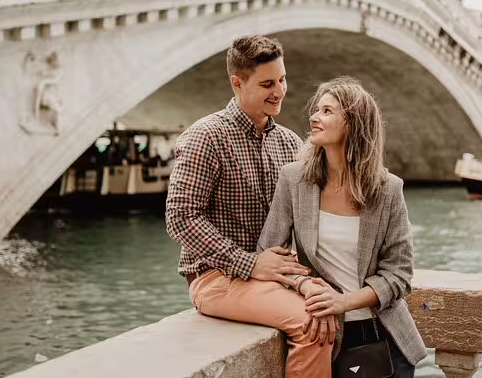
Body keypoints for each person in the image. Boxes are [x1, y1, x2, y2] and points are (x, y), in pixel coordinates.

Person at [166, 35, 335, 377]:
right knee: (311, 321)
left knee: (334, 306)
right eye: (267, 84)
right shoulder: (207, 136)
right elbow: (180, 218)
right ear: (237, 83)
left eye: (282, 79)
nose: (279, 91)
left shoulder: (290, 142)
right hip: (215, 278)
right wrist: (250, 263)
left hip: (276, 277)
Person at [258, 77, 426, 377]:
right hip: (324, 336)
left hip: (382, 336)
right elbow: (269, 253)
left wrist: (343, 302)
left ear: (353, 124)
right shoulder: (293, 180)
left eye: (327, 111)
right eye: (316, 109)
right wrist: (304, 287)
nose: (314, 117)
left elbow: (400, 274)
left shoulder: (388, 189)